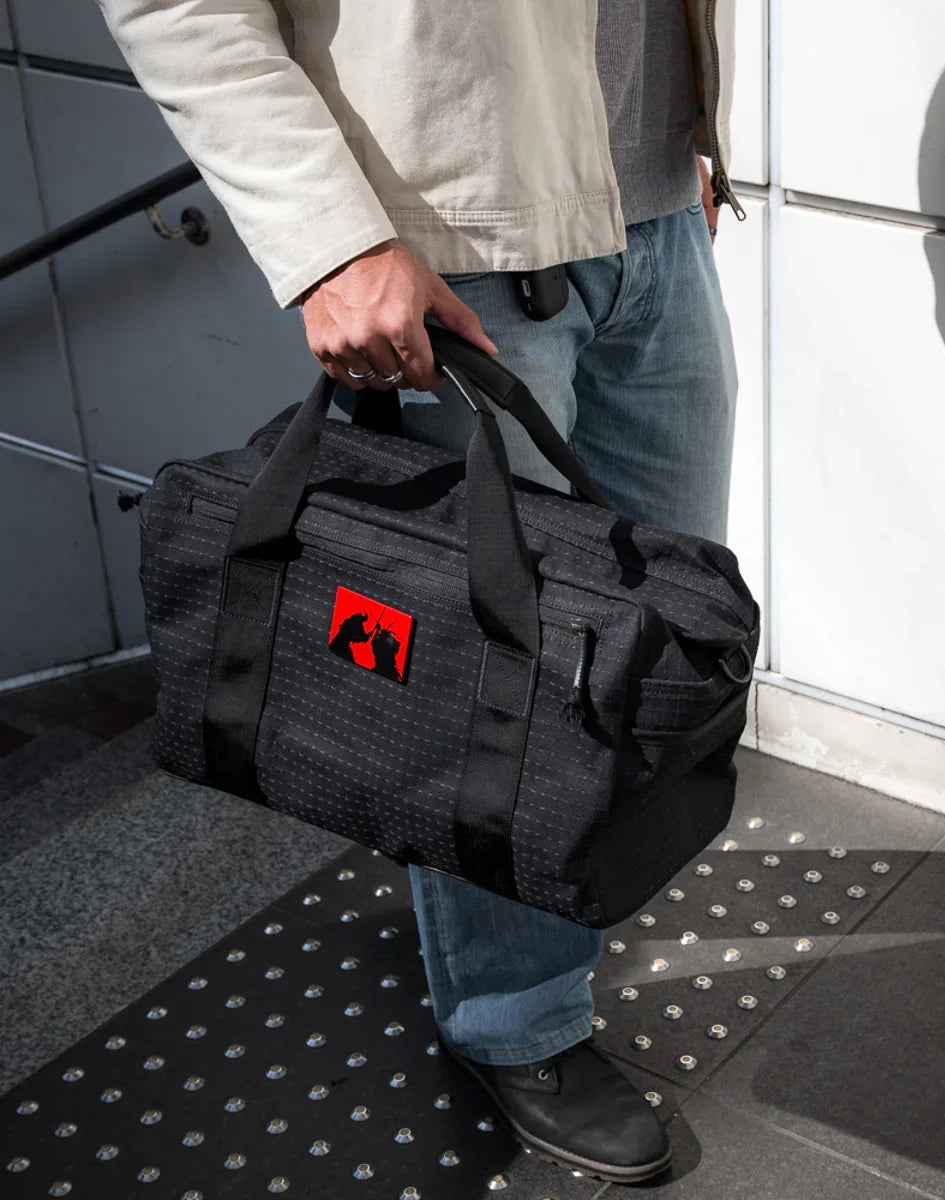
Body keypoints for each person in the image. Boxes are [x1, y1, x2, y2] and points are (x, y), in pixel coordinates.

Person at [97, 0, 739, 1182]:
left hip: (655, 210)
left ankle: (522, 894)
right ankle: (518, 1016)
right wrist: (330, 242)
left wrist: (681, 134)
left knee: (642, 642)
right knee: (495, 671)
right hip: (455, 254)